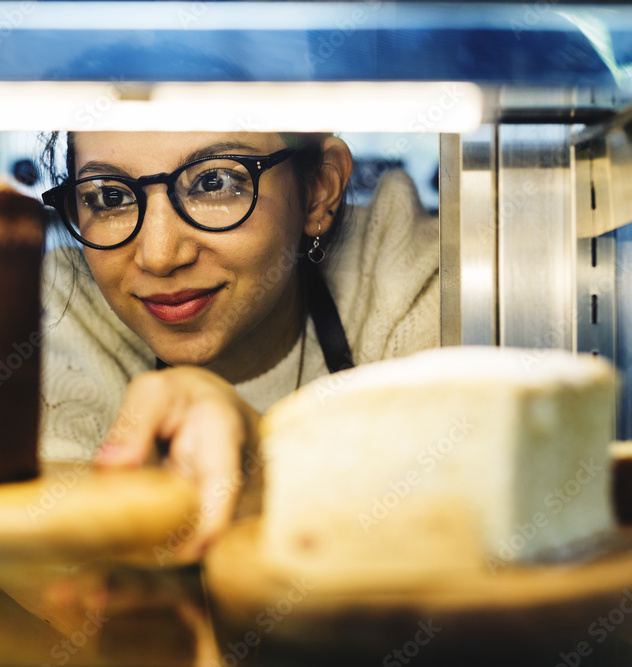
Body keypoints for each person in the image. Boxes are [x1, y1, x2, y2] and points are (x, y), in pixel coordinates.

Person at [38, 130, 440, 560]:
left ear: (318, 190)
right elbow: (62, 583)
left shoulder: (429, 281)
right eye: (110, 197)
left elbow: (449, 552)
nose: (159, 256)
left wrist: (260, 478)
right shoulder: (49, 310)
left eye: (214, 183)